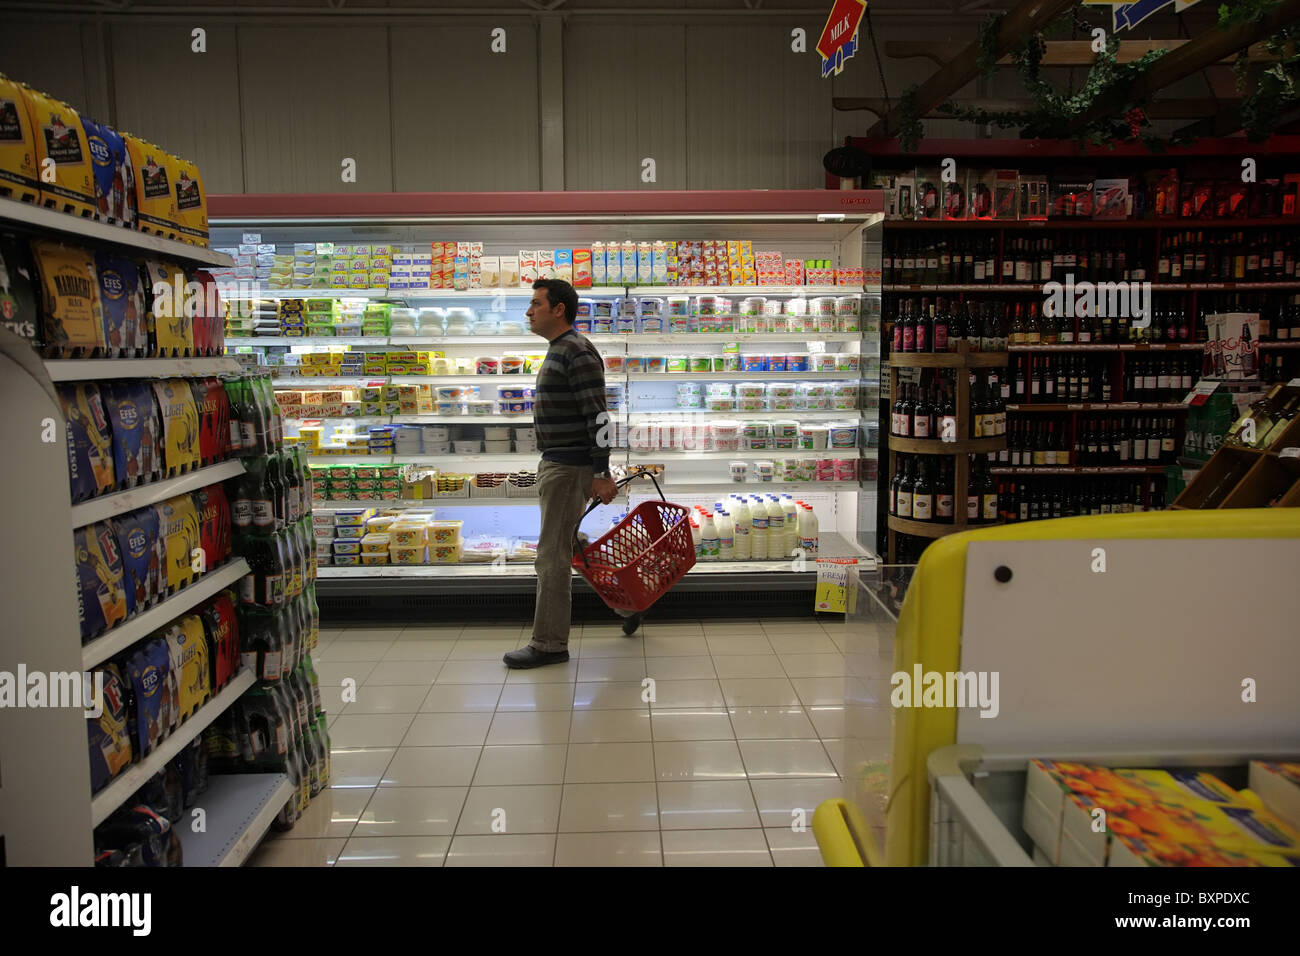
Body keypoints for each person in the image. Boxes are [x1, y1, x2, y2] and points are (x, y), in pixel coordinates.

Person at [503, 279, 641, 669]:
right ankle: (626, 605)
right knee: (574, 544)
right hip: (562, 463)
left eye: (535, 304)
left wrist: (600, 471)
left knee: (550, 556)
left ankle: (549, 644)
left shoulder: (575, 351)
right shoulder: (560, 349)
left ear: (558, 309)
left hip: (568, 467)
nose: (529, 311)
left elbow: (598, 416)